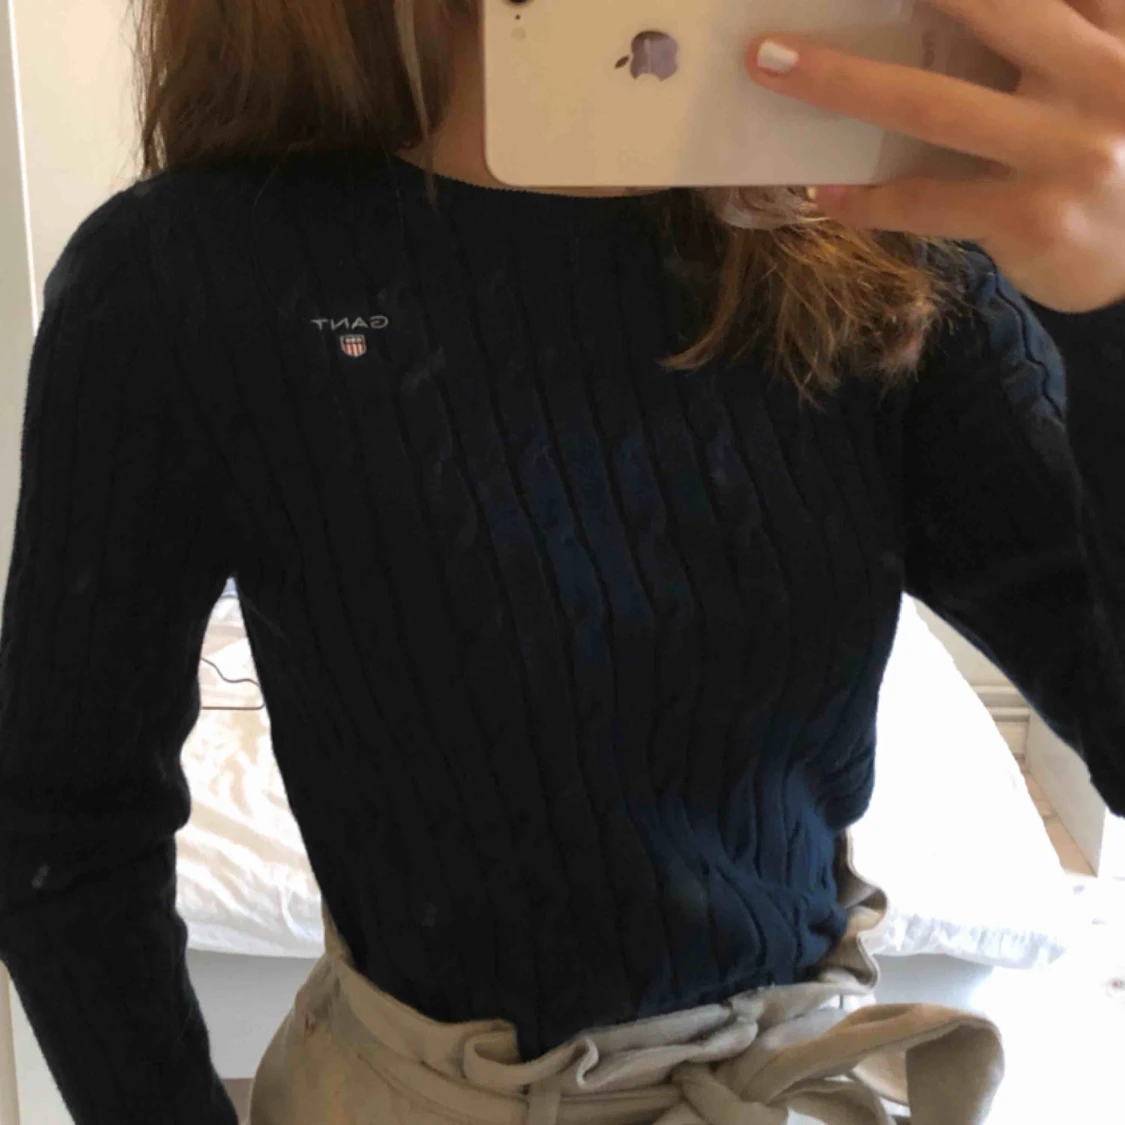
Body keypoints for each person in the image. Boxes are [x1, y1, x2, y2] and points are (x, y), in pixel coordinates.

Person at [1, 1, 1124, 1122]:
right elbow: (63, 823)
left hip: (794, 1085)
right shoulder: (183, 281)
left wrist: (1113, 308)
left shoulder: (896, 252)